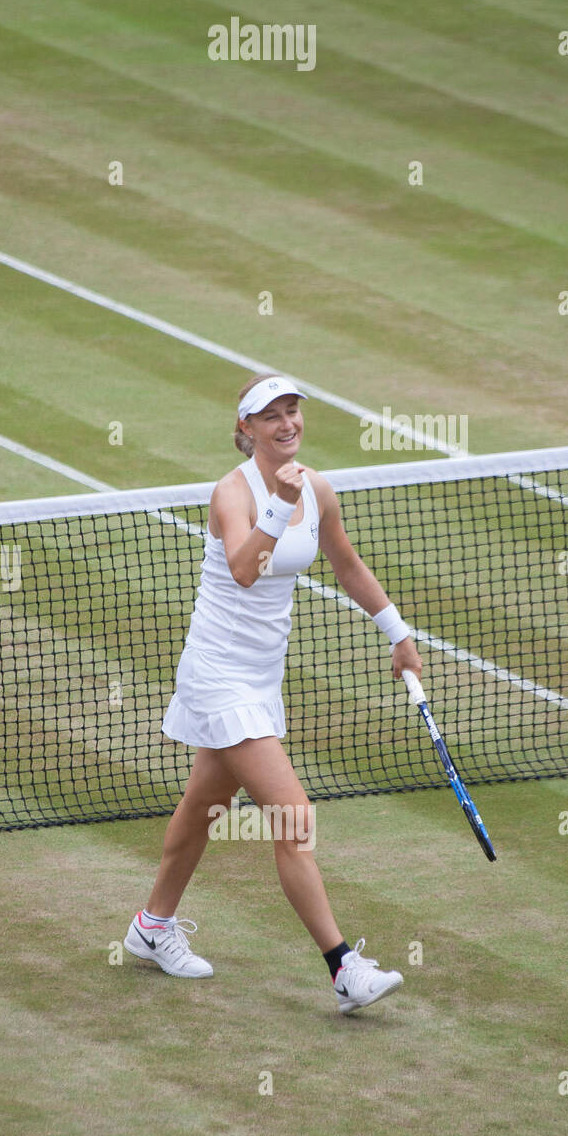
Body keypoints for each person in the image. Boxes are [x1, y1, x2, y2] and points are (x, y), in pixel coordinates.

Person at [125, 375, 422, 1014]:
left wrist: (397, 633)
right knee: (294, 816)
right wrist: (274, 509)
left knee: (206, 802)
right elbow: (242, 568)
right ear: (247, 430)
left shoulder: (316, 487)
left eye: (293, 412)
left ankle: (152, 927)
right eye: (272, 416)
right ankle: (344, 969)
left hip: (261, 677)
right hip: (217, 675)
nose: (288, 423)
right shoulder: (233, 493)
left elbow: (345, 563)